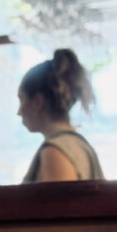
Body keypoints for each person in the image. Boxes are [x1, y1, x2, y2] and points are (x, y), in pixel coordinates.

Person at [19, 48, 104, 183]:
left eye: (22, 99)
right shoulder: (79, 146)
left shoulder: (55, 152)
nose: (19, 112)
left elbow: (57, 204)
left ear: (38, 102)